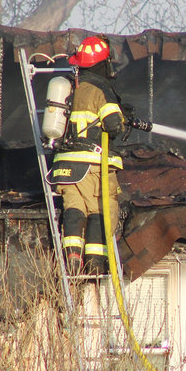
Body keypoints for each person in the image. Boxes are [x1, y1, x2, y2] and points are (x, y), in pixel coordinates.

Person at [50, 36, 125, 276]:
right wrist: (124, 121)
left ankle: (72, 259)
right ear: (104, 63)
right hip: (93, 166)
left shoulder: (74, 88)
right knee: (100, 211)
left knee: (74, 208)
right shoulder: (101, 89)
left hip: (65, 166)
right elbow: (113, 125)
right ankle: (94, 263)